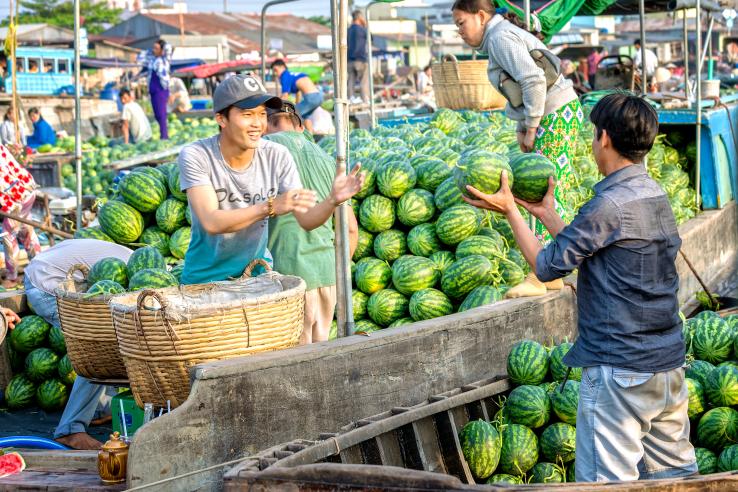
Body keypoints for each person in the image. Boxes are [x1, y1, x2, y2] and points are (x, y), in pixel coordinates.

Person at [463, 92, 696, 482]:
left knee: (605, 484)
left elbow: (546, 267)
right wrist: (548, 216)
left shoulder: (608, 205)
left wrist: (510, 212)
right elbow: (594, 251)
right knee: (676, 480)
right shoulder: (654, 196)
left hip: (620, 372)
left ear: (604, 138)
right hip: (666, 369)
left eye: (592, 135)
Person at [177, 74, 364, 285]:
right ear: (221, 119)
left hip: (257, 277)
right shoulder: (196, 155)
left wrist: (332, 200)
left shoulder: (277, 154)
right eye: (248, 114)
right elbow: (211, 221)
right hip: (204, 281)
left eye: (262, 114)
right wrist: (271, 206)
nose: (258, 123)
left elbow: (306, 220)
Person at [451, 0, 582, 295]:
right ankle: (551, 272)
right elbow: (520, 90)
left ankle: (543, 275)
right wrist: (523, 126)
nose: (459, 31)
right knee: (543, 188)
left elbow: (533, 79)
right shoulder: (498, 37)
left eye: (461, 22)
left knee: (545, 191)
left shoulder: (499, 37)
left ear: (481, 16)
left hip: (555, 112)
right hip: (552, 112)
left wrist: (532, 125)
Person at [23, 238, 134, 450]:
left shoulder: (135, 261)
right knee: (96, 349)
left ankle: (101, 409)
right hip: (46, 285)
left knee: (111, 340)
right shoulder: (138, 272)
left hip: (43, 272)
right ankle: (70, 430)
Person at [264, 101, 359, 343]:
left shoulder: (264, 149)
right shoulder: (328, 159)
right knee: (320, 351)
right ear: (300, 125)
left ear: (265, 123)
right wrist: (334, 270)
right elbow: (350, 229)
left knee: (295, 356)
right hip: (326, 271)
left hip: (287, 271)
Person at [0, 144, 40, 288]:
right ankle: (40, 265)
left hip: (14, 198)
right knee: (25, 229)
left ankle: (12, 278)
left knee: (8, 235)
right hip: (27, 189)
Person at [270, 60, 324, 125]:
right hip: (319, 96)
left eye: (276, 70)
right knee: (305, 117)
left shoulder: (285, 76)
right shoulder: (293, 75)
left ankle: (295, 134)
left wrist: (277, 109)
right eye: (274, 71)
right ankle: (310, 134)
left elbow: (285, 96)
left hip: (311, 98)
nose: (275, 73)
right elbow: (298, 93)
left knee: (292, 116)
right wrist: (296, 106)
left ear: (282, 67)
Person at [143, 39, 172, 140]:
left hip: (161, 89)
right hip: (153, 90)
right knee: (156, 114)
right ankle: (162, 134)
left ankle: (164, 136)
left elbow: (168, 48)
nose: (153, 50)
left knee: (161, 113)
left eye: (156, 48)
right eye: (153, 48)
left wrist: (163, 44)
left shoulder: (164, 60)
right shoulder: (152, 60)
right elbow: (144, 54)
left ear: (161, 50)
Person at [347, 10, 370, 104]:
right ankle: (365, 99)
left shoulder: (348, 30)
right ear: (360, 18)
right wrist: (366, 26)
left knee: (350, 80)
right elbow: (371, 38)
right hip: (361, 59)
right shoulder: (362, 29)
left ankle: (350, 98)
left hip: (349, 60)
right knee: (363, 81)